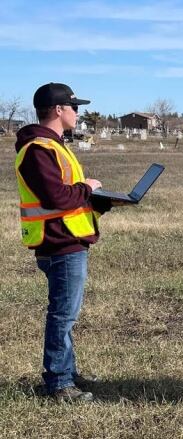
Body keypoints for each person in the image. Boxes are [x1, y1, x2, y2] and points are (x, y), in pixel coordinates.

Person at [14, 83, 112, 402]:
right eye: (74, 107)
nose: (77, 113)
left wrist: (97, 201)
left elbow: (63, 197)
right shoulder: (39, 149)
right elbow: (55, 196)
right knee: (62, 314)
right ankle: (59, 383)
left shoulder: (55, 145)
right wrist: (86, 187)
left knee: (66, 313)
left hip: (68, 238)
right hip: (58, 243)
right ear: (58, 110)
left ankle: (66, 371)